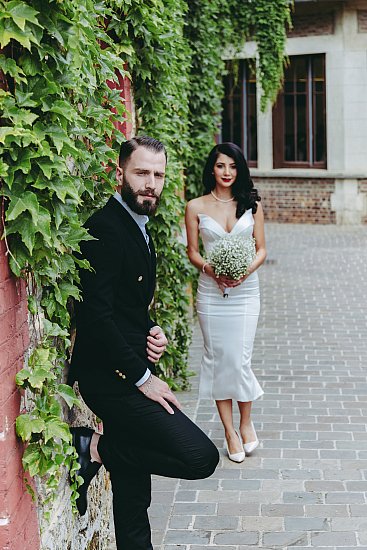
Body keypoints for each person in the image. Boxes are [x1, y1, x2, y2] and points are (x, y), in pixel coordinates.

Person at [68, 136, 219, 549]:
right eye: (141, 173)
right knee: (200, 457)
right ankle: (93, 447)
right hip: (111, 378)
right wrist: (143, 378)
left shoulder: (137, 226)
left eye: (158, 175)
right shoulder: (105, 228)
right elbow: (94, 317)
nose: (151, 183)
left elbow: (125, 305)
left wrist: (152, 330)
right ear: (120, 174)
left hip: (130, 366)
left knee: (135, 496)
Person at [185, 142, 266, 463]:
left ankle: (246, 422)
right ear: (212, 169)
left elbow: (261, 249)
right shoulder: (195, 206)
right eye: (221, 166)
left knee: (240, 359)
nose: (227, 173)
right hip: (211, 294)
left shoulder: (252, 205)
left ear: (240, 169)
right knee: (218, 360)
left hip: (246, 293)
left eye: (233, 167)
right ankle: (229, 431)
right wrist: (211, 270)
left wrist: (243, 272)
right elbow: (193, 251)